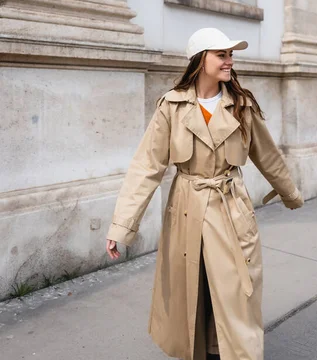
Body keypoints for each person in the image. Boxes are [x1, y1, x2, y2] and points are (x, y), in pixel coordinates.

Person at [106, 27, 304, 360]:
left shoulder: (241, 106)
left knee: (236, 293)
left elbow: (267, 155)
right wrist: (122, 226)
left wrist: (291, 194)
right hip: (186, 207)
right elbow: (146, 167)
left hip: (230, 208)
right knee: (191, 291)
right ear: (201, 60)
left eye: (230, 55)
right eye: (221, 54)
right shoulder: (172, 107)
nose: (229, 61)